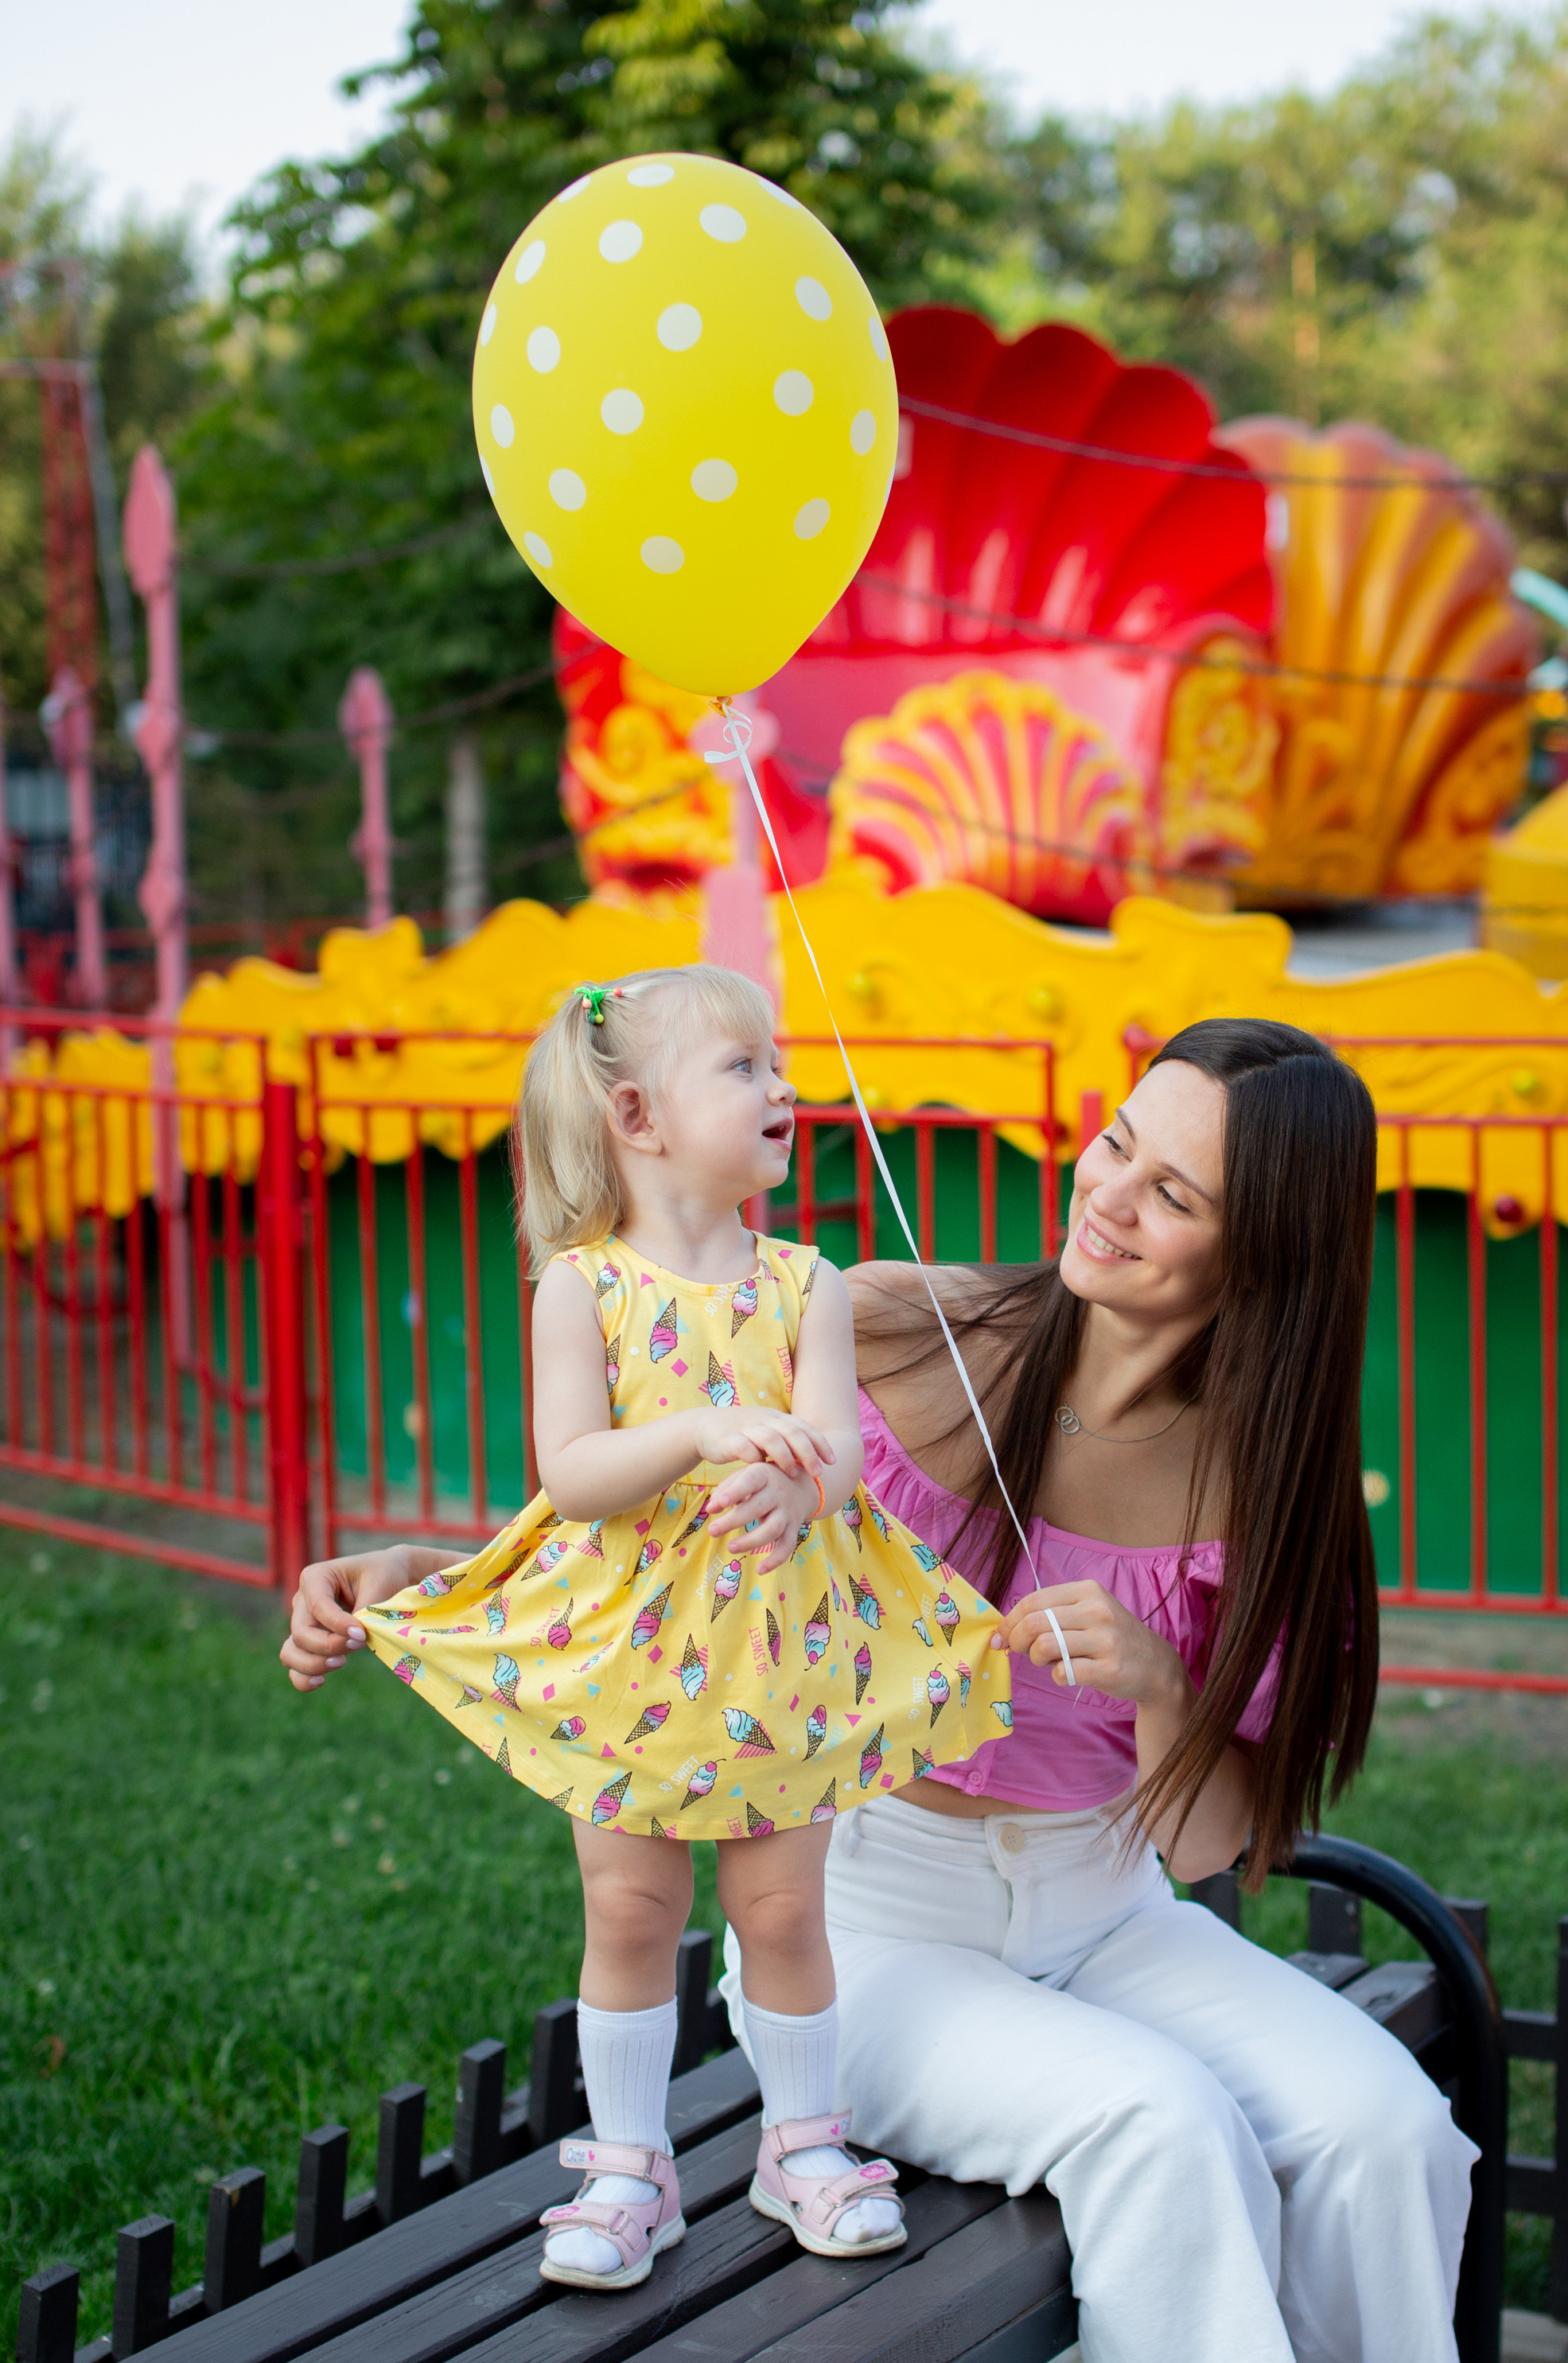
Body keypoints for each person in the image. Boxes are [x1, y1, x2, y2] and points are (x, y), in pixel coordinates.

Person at [720, 1018, 1477, 2363]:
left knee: (1393, 2132)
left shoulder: (1259, 1480)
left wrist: (1161, 1688)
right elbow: (643, 1469)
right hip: (867, 1931)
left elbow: (1214, 1844)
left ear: (1262, 1261)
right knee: (1162, 2124)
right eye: (1117, 1144)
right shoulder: (895, 1329)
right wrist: (434, 1568)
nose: (1107, 1197)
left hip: (1111, 1912)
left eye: (1172, 1195)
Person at [278, 964, 1010, 2293]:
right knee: (627, 1903)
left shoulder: (809, 1283)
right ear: (637, 1114)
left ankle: (801, 2144)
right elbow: (572, 1473)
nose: (784, 1086)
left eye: (778, 1062)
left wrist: (800, 1478)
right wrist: (698, 1431)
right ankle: (629, 2166)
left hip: (778, 1650)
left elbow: (842, 1448)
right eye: (743, 1068)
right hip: (632, 1657)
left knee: (783, 1909)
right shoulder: (585, 1287)